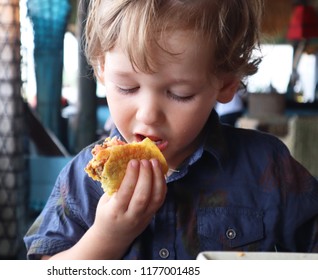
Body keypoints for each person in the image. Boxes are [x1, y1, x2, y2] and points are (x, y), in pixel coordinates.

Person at [24, 0, 318, 259]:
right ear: (101, 68)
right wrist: (107, 236)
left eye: (180, 93)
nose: (148, 114)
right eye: (127, 87)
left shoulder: (266, 167)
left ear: (226, 83)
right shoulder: (83, 181)